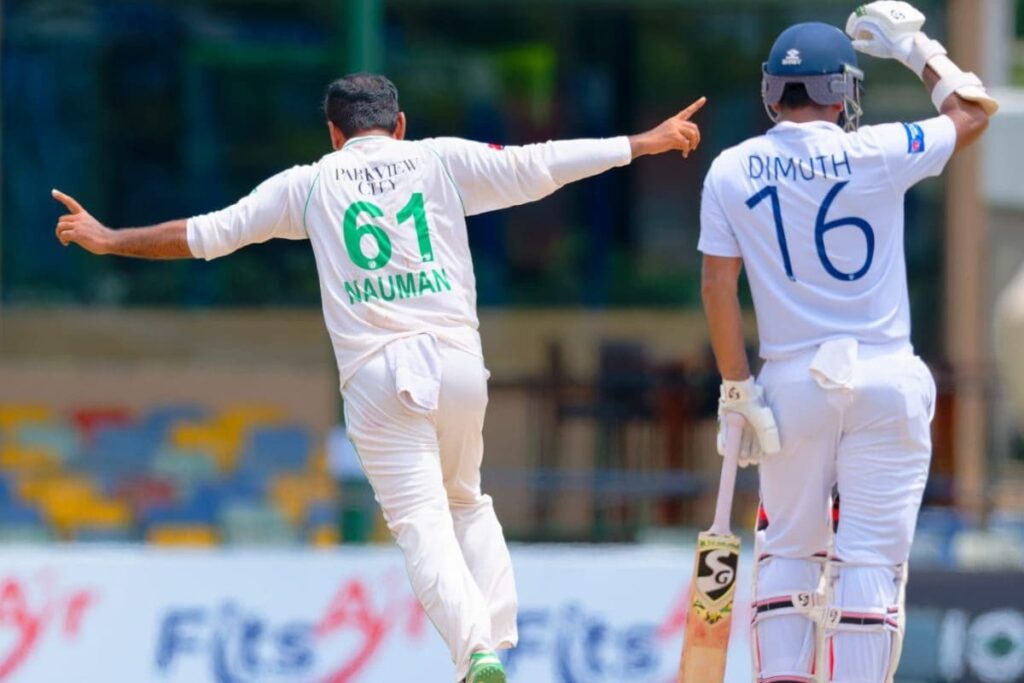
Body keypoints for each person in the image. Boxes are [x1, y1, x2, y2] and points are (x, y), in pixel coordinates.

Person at [52, 73, 706, 683]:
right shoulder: (440, 159)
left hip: (377, 377)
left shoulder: (307, 183)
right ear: (399, 125)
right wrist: (642, 142)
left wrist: (110, 239)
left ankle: (477, 648)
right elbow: (540, 165)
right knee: (468, 501)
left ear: (334, 134)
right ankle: (500, 638)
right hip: (455, 366)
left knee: (422, 523)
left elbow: (204, 235)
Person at [696, 3, 995, 682]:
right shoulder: (878, 150)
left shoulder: (731, 170)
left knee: (790, 548)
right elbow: (974, 113)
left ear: (773, 91)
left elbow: (718, 287)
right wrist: (917, 49)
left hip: (790, 384)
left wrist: (737, 387)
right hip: (886, 378)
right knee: (869, 560)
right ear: (843, 92)